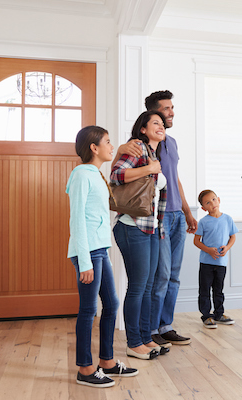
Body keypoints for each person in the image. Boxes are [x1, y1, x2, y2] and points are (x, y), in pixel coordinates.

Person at [66, 125, 138, 388]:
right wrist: (84, 261)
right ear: (94, 148)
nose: (111, 146)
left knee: (111, 304)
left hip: (100, 250)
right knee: (88, 310)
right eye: (107, 142)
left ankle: (106, 361)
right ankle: (85, 368)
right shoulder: (81, 175)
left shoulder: (96, 174)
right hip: (88, 253)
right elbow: (78, 221)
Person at [111, 111, 170, 360]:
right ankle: (133, 343)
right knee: (137, 287)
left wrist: (161, 227)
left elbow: (157, 197)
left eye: (162, 123)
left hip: (151, 228)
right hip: (131, 225)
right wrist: (149, 168)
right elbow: (116, 176)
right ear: (143, 129)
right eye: (155, 123)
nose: (161, 126)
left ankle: (145, 339)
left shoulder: (154, 155)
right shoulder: (135, 148)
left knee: (147, 287)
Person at [145, 90, 197, 346]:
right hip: (160, 215)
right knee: (161, 274)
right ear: (154, 114)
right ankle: (151, 328)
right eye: (166, 108)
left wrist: (188, 212)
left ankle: (166, 326)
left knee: (175, 275)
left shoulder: (172, 142)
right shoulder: (142, 143)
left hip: (177, 215)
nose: (172, 112)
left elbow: (175, 177)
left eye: (172, 107)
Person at [193, 190, 238, 328]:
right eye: (207, 202)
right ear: (203, 208)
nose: (212, 203)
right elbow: (196, 241)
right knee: (205, 289)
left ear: (218, 199)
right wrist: (208, 250)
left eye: (213, 199)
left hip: (221, 262)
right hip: (206, 263)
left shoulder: (228, 219)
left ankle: (219, 314)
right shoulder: (203, 222)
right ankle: (206, 316)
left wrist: (227, 248)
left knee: (218, 289)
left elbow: (233, 237)